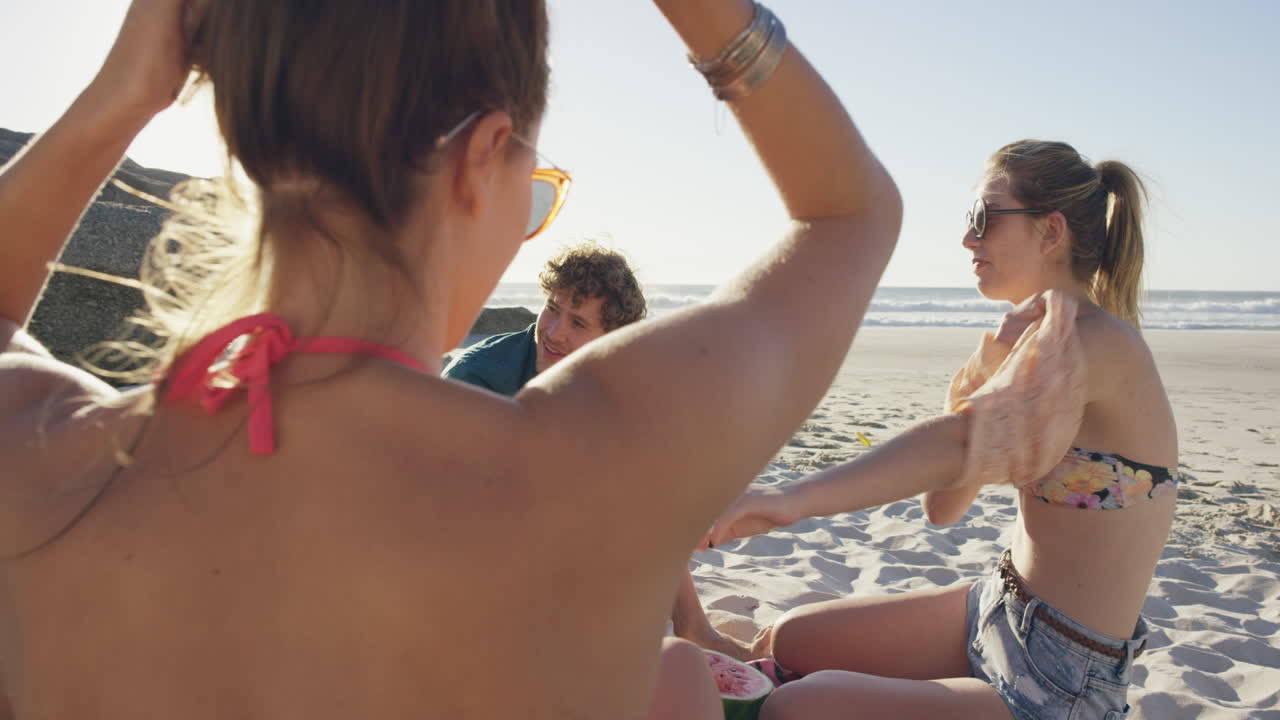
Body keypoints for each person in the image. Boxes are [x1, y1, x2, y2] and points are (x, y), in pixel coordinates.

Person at [0, 0, 901, 718]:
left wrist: (119, 93)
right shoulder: (596, 461)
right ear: (480, 160)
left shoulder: (58, 468)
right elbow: (851, 214)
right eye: (533, 189)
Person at [674, 140, 1177, 720]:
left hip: (1064, 680)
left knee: (797, 708)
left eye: (984, 219)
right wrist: (990, 380)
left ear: (1050, 231)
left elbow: (953, 445)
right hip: (993, 607)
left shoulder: (1099, 343)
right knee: (788, 640)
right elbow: (943, 506)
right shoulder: (1032, 340)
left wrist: (790, 501)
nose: (968, 239)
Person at [443, 241, 646, 395]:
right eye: (553, 309)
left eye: (578, 323)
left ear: (612, 341)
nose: (554, 333)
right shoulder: (474, 380)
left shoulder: (622, 383)